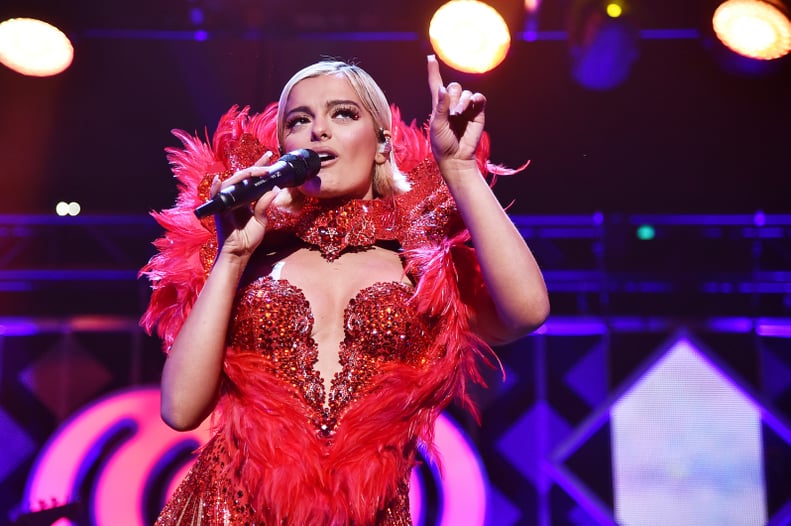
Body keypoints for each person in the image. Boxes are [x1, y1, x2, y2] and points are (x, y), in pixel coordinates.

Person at [140, 54, 550, 525]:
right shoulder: (248, 257)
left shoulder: (423, 261)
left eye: (343, 113)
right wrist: (232, 256)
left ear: (381, 144)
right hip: (229, 512)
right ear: (283, 150)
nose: (319, 131)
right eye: (299, 120)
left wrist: (459, 168)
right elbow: (179, 410)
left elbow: (528, 312)